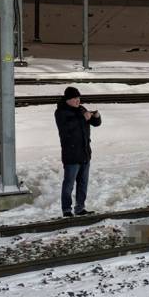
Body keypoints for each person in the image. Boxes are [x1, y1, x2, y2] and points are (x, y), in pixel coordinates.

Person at [55, 86, 102, 217]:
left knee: (83, 183)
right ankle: (66, 209)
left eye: (79, 98)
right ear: (68, 100)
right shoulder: (61, 112)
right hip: (71, 154)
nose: (77, 101)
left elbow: (95, 123)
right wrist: (83, 118)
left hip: (85, 153)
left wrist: (96, 117)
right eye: (75, 98)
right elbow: (67, 127)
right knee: (68, 184)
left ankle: (80, 208)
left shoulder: (81, 109)